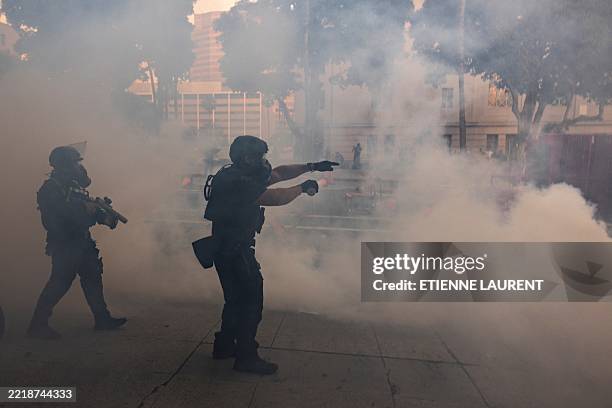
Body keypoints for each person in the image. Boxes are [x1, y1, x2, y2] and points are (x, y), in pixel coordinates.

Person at [204, 135, 337, 375]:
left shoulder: (236, 172)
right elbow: (273, 198)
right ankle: (246, 356)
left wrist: (312, 167)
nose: (263, 160)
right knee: (251, 301)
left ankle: (224, 346)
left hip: (226, 248)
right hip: (235, 250)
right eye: (259, 156)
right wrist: (302, 187)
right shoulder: (237, 181)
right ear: (247, 157)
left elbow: (277, 174)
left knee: (235, 299)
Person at [27, 146, 126, 340]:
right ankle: (37, 325)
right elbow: (60, 216)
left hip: (82, 241)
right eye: (75, 163)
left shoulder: (73, 186)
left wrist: (101, 216)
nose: (78, 167)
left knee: (93, 277)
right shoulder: (50, 188)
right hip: (65, 242)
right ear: (63, 165)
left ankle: (102, 318)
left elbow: (84, 213)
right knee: (59, 283)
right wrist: (85, 209)